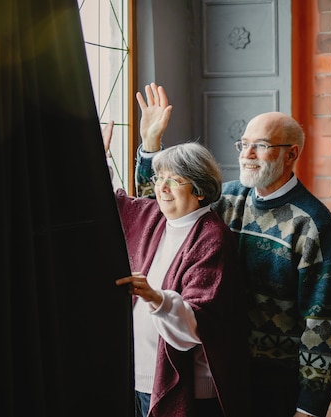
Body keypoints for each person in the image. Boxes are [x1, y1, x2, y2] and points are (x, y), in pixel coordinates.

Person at [133, 83, 331, 417]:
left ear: (291, 153)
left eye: (260, 146)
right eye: (244, 144)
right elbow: (157, 211)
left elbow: (324, 324)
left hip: (274, 383)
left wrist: (310, 407)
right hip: (220, 371)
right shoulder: (227, 199)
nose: (246, 154)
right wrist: (150, 145)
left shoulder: (313, 226)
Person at [103, 121, 250, 417]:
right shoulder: (154, 217)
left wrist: (156, 298)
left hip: (191, 391)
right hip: (138, 377)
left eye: (174, 180)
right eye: (160, 178)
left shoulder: (211, 237)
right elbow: (110, 203)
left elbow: (197, 325)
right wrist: (98, 159)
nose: (162, 187)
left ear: (199, 190)